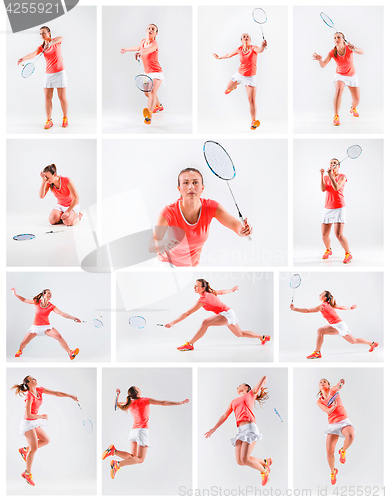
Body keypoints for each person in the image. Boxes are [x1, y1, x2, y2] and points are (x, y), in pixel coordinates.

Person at [152, 167, 252, 267]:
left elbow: (236, 226)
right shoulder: (168, 212)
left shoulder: (211, 207)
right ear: (179, 189)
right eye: (185, 183)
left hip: (192, 266)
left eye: (195, 182)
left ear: (202, 188)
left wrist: (242, 230)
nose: (191, 187)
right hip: (167, 264)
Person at [102, 386, 189, 478]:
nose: (140, 388)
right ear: (138, 393)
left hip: (133, 431)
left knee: (133, 457)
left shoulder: (129, 403)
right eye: (138, 388)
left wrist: (117, 395)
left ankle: (113, 451)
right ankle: (117, 464)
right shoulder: (145, 400)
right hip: (142, 431)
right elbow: (163, 403)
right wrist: (179, 403)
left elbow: (115, 404)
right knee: (140, 459)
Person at [165, 279, 270, 351]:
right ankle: (263, 337)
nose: (194, 287)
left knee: (205, 322)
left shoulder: (204, 298)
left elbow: (187, 313)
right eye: (194, 285)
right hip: (228, 313)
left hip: (227, 314)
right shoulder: (208, 293)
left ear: (202, 288)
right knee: (240, 334)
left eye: (197, 286)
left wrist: (172, 322)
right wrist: (232, 290)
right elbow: (220, 292)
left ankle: (190, 344)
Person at [205, 375, 272, 486]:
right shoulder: (234, 401)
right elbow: (224, 415)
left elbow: (263, 377)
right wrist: (214, 428)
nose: (237, 386)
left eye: (240, 385)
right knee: (240, 461)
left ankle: (265, 471)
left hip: (250, 428)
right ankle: (265, 462)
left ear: (246, 388)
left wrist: (262, 385)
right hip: (240, 430)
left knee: (245, 459)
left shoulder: (251, 394)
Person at [12, 375, 78, 486]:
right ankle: (27, 473)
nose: (35, 379)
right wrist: (41, 416)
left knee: (46, 440)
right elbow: (28, 414)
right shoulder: (29, 396)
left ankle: (24, 450)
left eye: (34, 378)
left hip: (34, 421)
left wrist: (70, 396)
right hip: (28, 423)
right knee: (34, 449)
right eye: (32, 379)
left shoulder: (39, 390)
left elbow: (56, 393)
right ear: (28, 384)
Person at [290, 290, 378, 359]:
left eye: (321, 294)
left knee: (320, 330)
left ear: (324, 298)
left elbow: (307, 310)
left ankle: (317, 352)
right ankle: (372, 343)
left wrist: (294, 309)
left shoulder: (323, 306)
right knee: (353, 341)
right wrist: (350, 308)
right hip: (342, 324)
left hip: (338, 325)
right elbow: (342, 307)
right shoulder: (330, 304)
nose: (319, 295)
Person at [17, 26, 69, 129]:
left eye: (44, 33)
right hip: (49, 74)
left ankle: (65, 118)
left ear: (49, 33)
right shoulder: (41, 47)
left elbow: (61, 38)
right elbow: (32, 54)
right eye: (40, 33)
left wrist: (50, 44)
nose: (42, 35)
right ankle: (49, 120)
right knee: (47, 98)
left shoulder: (56, 41)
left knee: (62, 97)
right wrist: (23, 58)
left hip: (60, 73)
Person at [213, 33, 267, 130]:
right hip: (239, 74)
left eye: (247, 37)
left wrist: (263, 46)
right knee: (228, 87)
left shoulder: (253, 48)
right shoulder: (239, 49)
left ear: (250, 40)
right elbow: (229, 55)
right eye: (243, 37)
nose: (246, 38)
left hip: (250, 78)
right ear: (241, 41)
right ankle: (233, 87)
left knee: (251, 100)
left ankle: (253, 121)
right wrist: (218, 57)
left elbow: (260, 50)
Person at [11, 287, 81, 360]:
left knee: (58, 336)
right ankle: (20, 351)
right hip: (35, 328)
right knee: (23, 344)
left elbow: (62, 314)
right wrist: (15, 294)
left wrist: (74, 318)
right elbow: (24, 300)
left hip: (46, 327)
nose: (50, 295)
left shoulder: (51, 306)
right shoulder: (36, 301)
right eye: (48, 293)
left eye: (51, 294)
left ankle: (70, 353)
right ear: (44, 294)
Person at [313, 32, 364, 126]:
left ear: (343, 39)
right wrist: (320, 60)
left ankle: (353, 108)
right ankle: (336, 116)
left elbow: (362, 52)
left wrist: (355, 49)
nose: (336, 39)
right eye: (335, 38)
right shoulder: (332, 52)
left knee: (356, 100)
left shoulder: (349, 48)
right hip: (340, 75)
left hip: (352, 75)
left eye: (338, 37)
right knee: (339, 90)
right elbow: (323, 65)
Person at [121, 24, 164, 125]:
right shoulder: (143, 41)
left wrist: (141, 52)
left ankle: (148, 115)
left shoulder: (154, 44)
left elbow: (148, 50)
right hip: (147, 73)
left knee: (152, 92)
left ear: (156, 33)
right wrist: (127, 49)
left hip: (156, 73)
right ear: (146, 31)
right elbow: (138, 47)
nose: (150, 30)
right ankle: (158, 106)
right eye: (149, 28)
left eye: (153, 29)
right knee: (147, 93)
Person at [316, 378, 355, 485]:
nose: (322, 382)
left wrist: (340, 383)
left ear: (328, 385)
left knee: (351, 435)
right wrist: (332, 407)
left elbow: (338, 386)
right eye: (321, 382)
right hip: (333, 425)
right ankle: (333, 472)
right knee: (329, 453)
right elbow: (327, 410)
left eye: (325, 381)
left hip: (343, 421)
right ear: (319, 387)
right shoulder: (319, 401)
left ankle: (342, 451)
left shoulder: (333, 391)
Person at [320, 158, 352, 264]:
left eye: (335, 163)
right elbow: (323, 189)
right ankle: (328, 250)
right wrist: (322, 175)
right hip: (327, 207)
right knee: (324, 235)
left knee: (338, 235)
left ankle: (348, 253)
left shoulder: (342, 176)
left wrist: (330, 176)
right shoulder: (326, 176)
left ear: (338, 166)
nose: (333, 164)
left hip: (339, 207)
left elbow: (336, 187)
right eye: (331, 163)